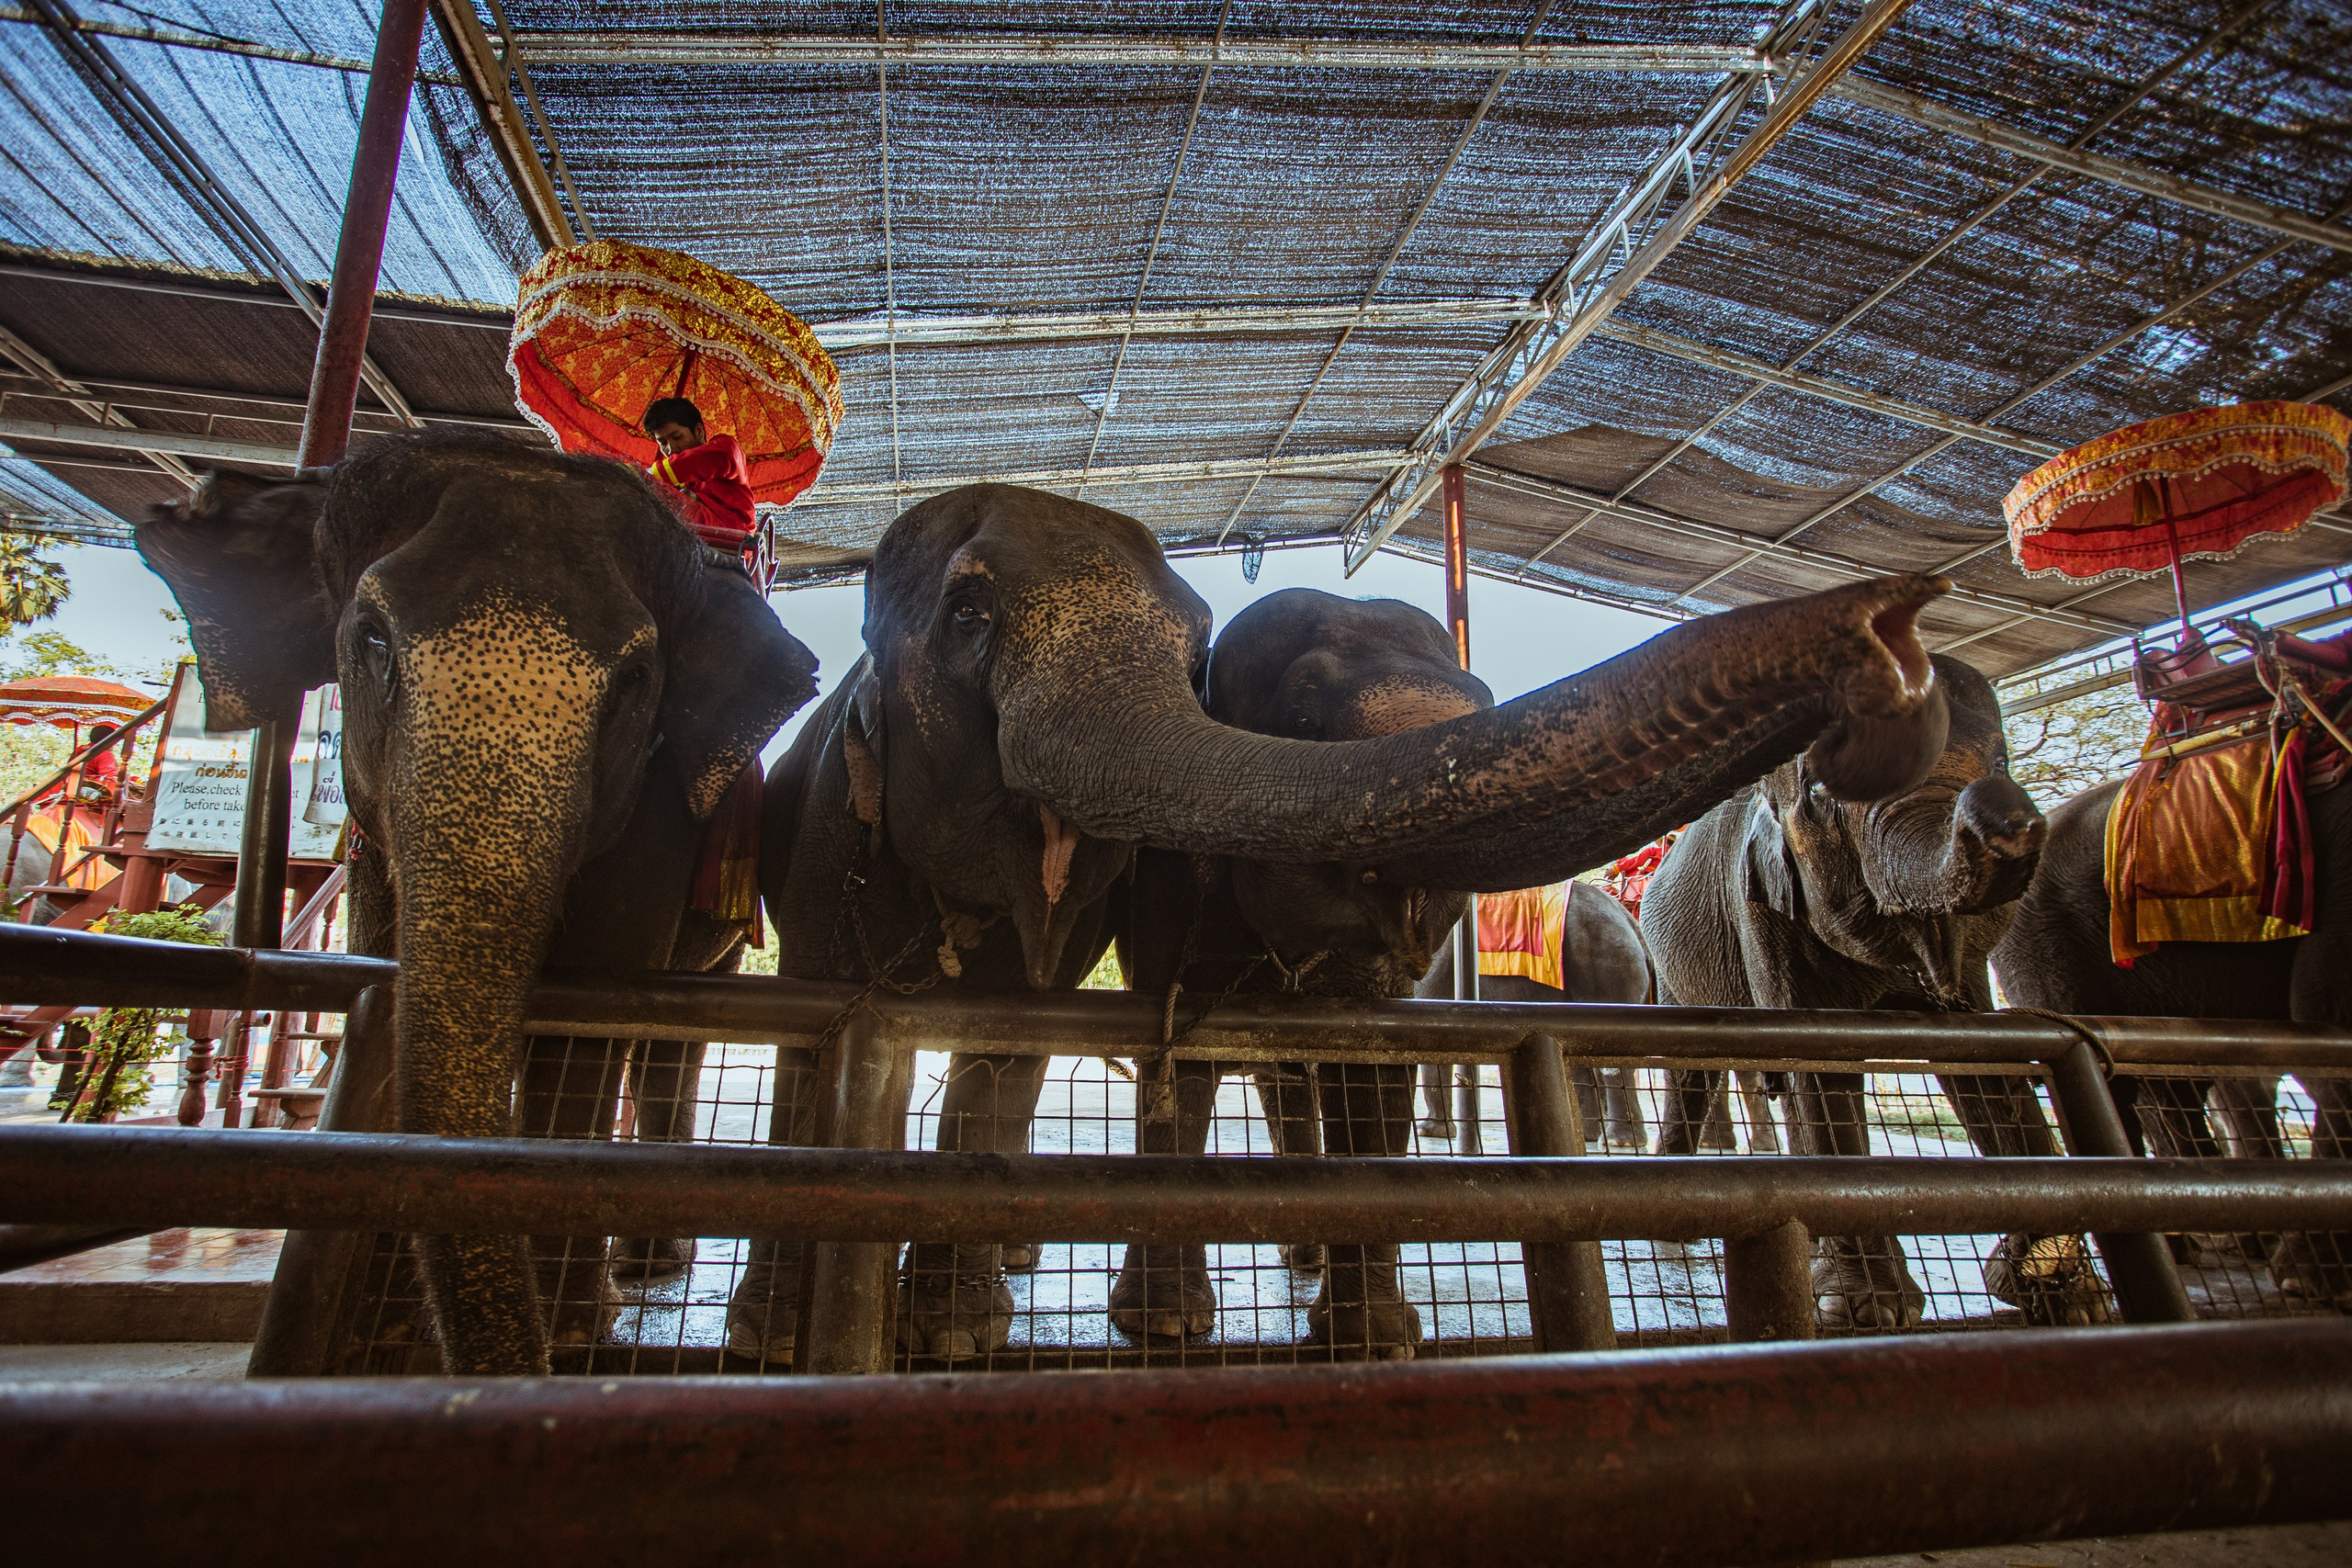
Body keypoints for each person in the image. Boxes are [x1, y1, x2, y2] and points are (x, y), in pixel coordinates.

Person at [641, 397, 755, 557]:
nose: (671, 449)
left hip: (735, 537)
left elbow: (699, 462)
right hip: (694, 540)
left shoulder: (726, 448)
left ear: (699, 431)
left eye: (677, 437)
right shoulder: (671, 474)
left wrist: (642, 476)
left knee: (669, 498)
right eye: (662, 443)